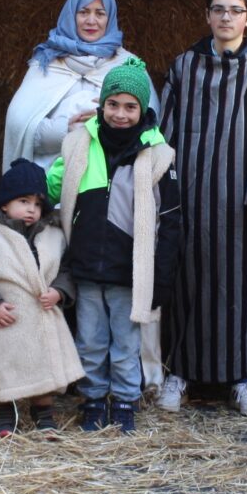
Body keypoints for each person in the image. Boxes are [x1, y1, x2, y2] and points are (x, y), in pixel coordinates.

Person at [157, 0, 247, 417]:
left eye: (235, 10)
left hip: (242, 203)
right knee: (186, 283)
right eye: (218, 9)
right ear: (206, 15)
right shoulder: (184, 67)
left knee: (243, 290)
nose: (226, 17)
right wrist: (166, 193)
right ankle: (177, 374)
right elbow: (164, 133)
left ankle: (242, 379)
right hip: (193, 200)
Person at [47, 57, 181, 433]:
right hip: (87, 265)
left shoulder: (158, 155)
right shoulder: (78, 145)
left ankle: (124, 399)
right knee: (89, 340)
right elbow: (53, 187)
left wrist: (162, 278)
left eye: (130, 106)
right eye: (113, 104)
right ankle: (93, 399)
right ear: (102, 105)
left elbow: (171, 221)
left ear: (143, 110)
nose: (120, 114)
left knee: (125, 343)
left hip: (129, 271)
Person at [0, 159, 82, 438]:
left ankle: (44, 413)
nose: (31, 209)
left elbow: (65, 269)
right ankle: (4, 414)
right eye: (23, 201)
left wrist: (59, 291)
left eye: (37, 204)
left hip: (41, 313)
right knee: (4, 364)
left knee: (44, 364)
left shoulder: (53, 236)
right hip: (5, 315)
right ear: (4, 204)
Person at [2, 0, 152, 171]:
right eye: (83, 12)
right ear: (71, 15)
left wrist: (107, 124)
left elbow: (148, 127)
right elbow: (19, 127)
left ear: (110, 18)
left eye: (99, 13)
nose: (91, 21)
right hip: (51, 181)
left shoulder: (129, 66)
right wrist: (65, 131)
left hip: (109, 180)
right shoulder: (46, 63)